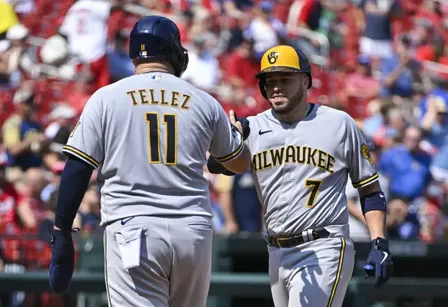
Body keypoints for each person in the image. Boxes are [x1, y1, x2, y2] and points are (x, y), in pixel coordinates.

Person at [48, 15, 251, 307]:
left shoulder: (106, 98)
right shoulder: (204, 101)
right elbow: (238, 163)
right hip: (192, 232)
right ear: (174, 52)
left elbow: (78, 169)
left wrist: (62, 231)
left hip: (133, 230)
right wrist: (239, 137)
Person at [208, 45, 393, 307]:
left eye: (285, 79)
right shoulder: (252, 127)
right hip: (276, 249)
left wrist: (379, 243)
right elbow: (216, 167)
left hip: (323, 245)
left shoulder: (338, 124)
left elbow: (370, 190)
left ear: (305, 81)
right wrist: (230, 145)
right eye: (270, 80)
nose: (276, 87)